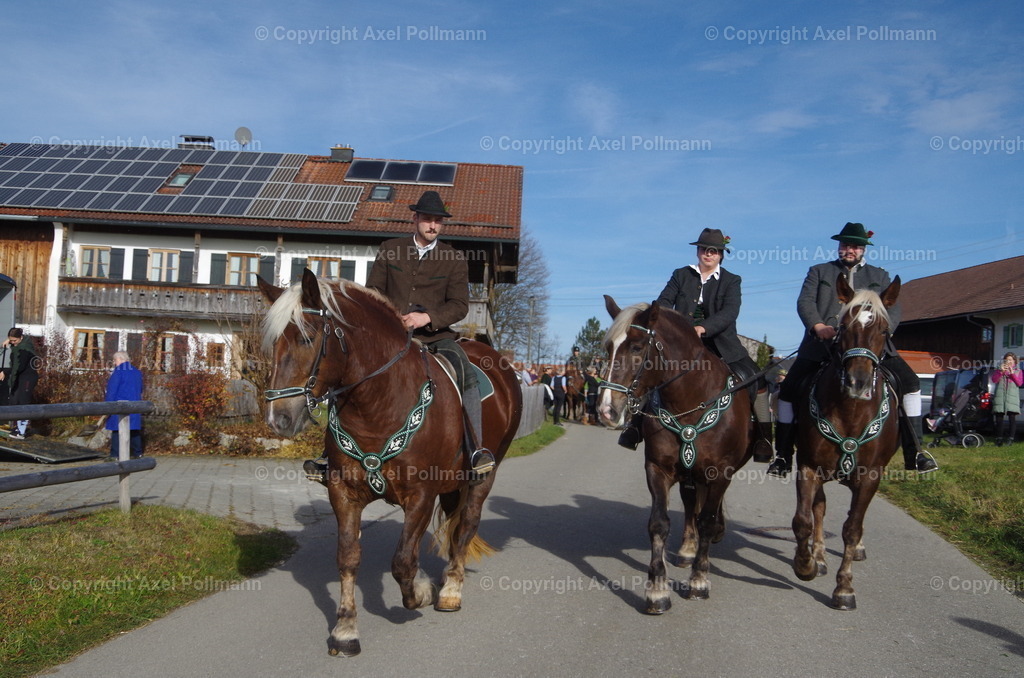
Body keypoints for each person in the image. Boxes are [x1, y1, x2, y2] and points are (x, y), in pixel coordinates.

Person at [768, 223, 938, 477]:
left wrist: (882, 332)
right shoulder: (819, 271)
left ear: (863, 249)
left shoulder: (879, 276)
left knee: (911, 384)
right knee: (789, 390)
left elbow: (894, 308)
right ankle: (782, 456)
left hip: (869, 347)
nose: (850, 249)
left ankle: (915, 453)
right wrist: (818, 326)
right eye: (846, 245)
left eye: (855, 246)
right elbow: (805, 302)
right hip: (821, 345)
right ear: (839, 246)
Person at [352, 190, 495, 482]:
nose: (432, 225)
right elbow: (374, 292)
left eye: (438, 221)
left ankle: (475, 448)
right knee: (349, 366)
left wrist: (426, 317)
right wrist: (391, 317)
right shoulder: (390, 248)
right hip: (388, 335)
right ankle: (329, 453)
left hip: (436, 338)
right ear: (415, 218)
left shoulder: (454, 259)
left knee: (466, 373)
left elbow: (459, 305)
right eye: (427, 219)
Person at [617, 228, 774, 462]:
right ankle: (635, 426)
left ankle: (763, 439)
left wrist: (703, 328)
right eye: (703, 249)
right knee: (650, 373)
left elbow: (730, 312)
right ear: (698, 251)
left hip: (721, 344)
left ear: (721, 255)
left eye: (713, 251)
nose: (707, 254)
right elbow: (662, 304)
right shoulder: (681, 275)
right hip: (681, 346)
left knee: (757, 380)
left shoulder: (732, 281)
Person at [103, 351, 145, 459]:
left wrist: (108, 406)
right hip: (135, 405)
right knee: (134, 430)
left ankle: (114, 455)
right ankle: (138, 453)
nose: (114, 362)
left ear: (121, 359)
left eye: (115, 360)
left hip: (119, 405)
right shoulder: (137, 372)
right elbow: (140, 389)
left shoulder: (118, 372)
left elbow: (112, 390)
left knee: (117, 430)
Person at [0, 328, 38, 440]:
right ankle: (17, 427)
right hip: (20, 378)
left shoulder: (24, 350)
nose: (12, 343)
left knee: (23, 402)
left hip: (28, 378)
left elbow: (19, 367)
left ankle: (22, 432)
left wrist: (5, 372)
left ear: (21, 338)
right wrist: (8, 341)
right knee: (13, 401)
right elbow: (18, 339)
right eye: (11, 340)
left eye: (14, 340)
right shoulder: (20, 343)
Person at [991, 352, 1022, 446]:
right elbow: (994, 380)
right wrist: (1001, 372)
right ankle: (999, 439)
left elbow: (1019, 383)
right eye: (1007, 360)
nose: (1008, 362)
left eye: (1010, 360)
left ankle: (1010, 439)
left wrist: (1012, 374)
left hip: (1012, 398)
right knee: (999, 419)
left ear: (1014, 361)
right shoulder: (999, 370)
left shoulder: (1018, 371)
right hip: (1000, 397)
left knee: (1012, 418)